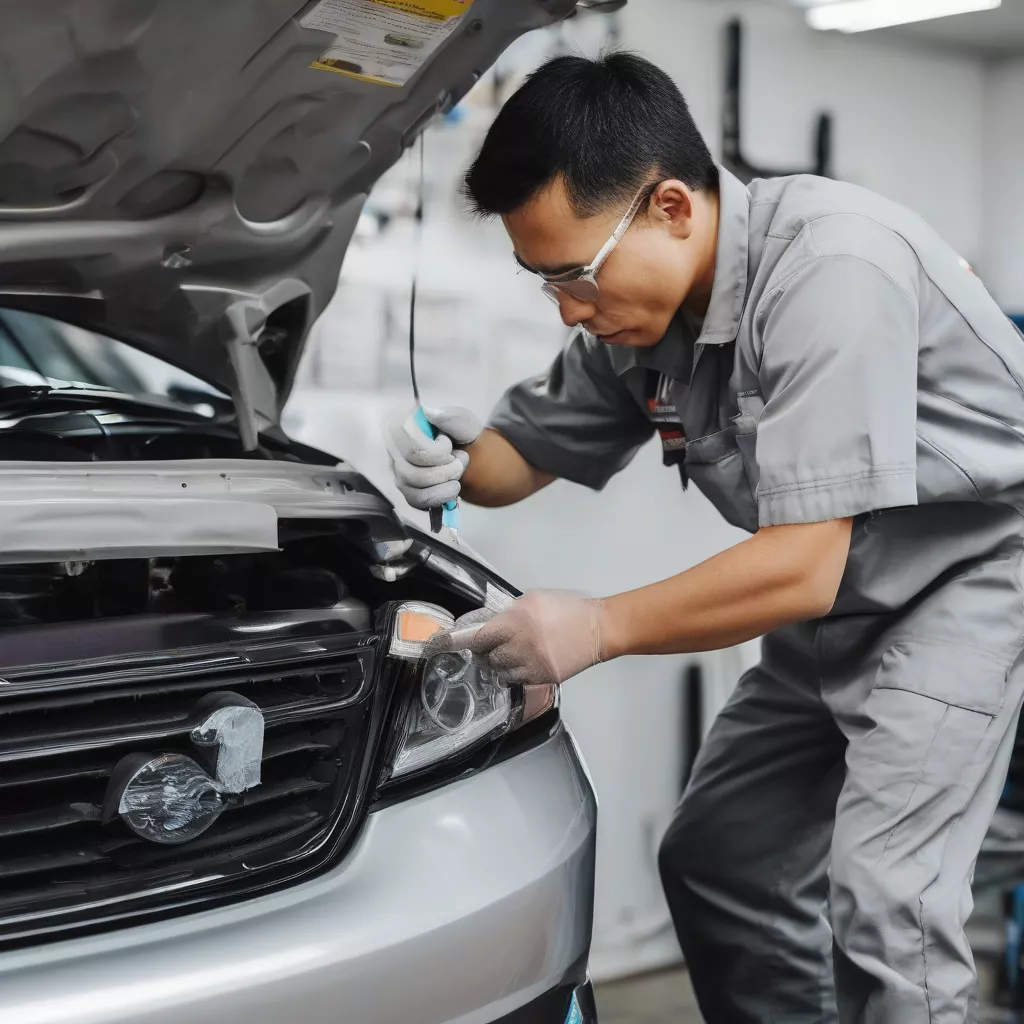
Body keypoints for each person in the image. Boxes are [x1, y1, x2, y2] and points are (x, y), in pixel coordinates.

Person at [383, 52, 1024, 1023]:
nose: (566, 309)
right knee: (722, 858)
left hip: (969, 576)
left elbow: (799, 567)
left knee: (887, 898)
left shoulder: (829, 268)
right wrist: (459, 459)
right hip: (849, 590)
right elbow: (526, 451)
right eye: (540, 279)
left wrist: (595, 627)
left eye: (574, 274)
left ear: (672, 207)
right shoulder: (638, 315)